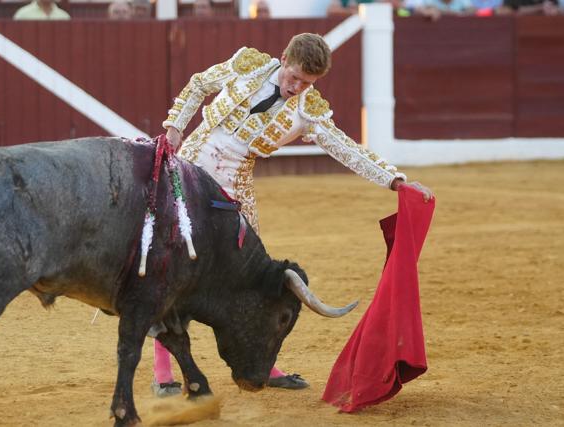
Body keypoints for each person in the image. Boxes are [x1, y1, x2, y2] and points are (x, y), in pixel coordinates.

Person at [152, 33, 434, 395]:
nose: (296, 87)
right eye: (294, 77)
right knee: (169, 269)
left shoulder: (307, 110)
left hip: (233, 189)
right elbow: (198, 85)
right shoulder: (247, 64)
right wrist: (175, 126)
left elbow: (345, 148)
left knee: (254, 280)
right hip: (186, 170)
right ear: (284, 59)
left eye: (307, 83)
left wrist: (395, 180)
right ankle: (163, 372)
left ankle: (264, 365)